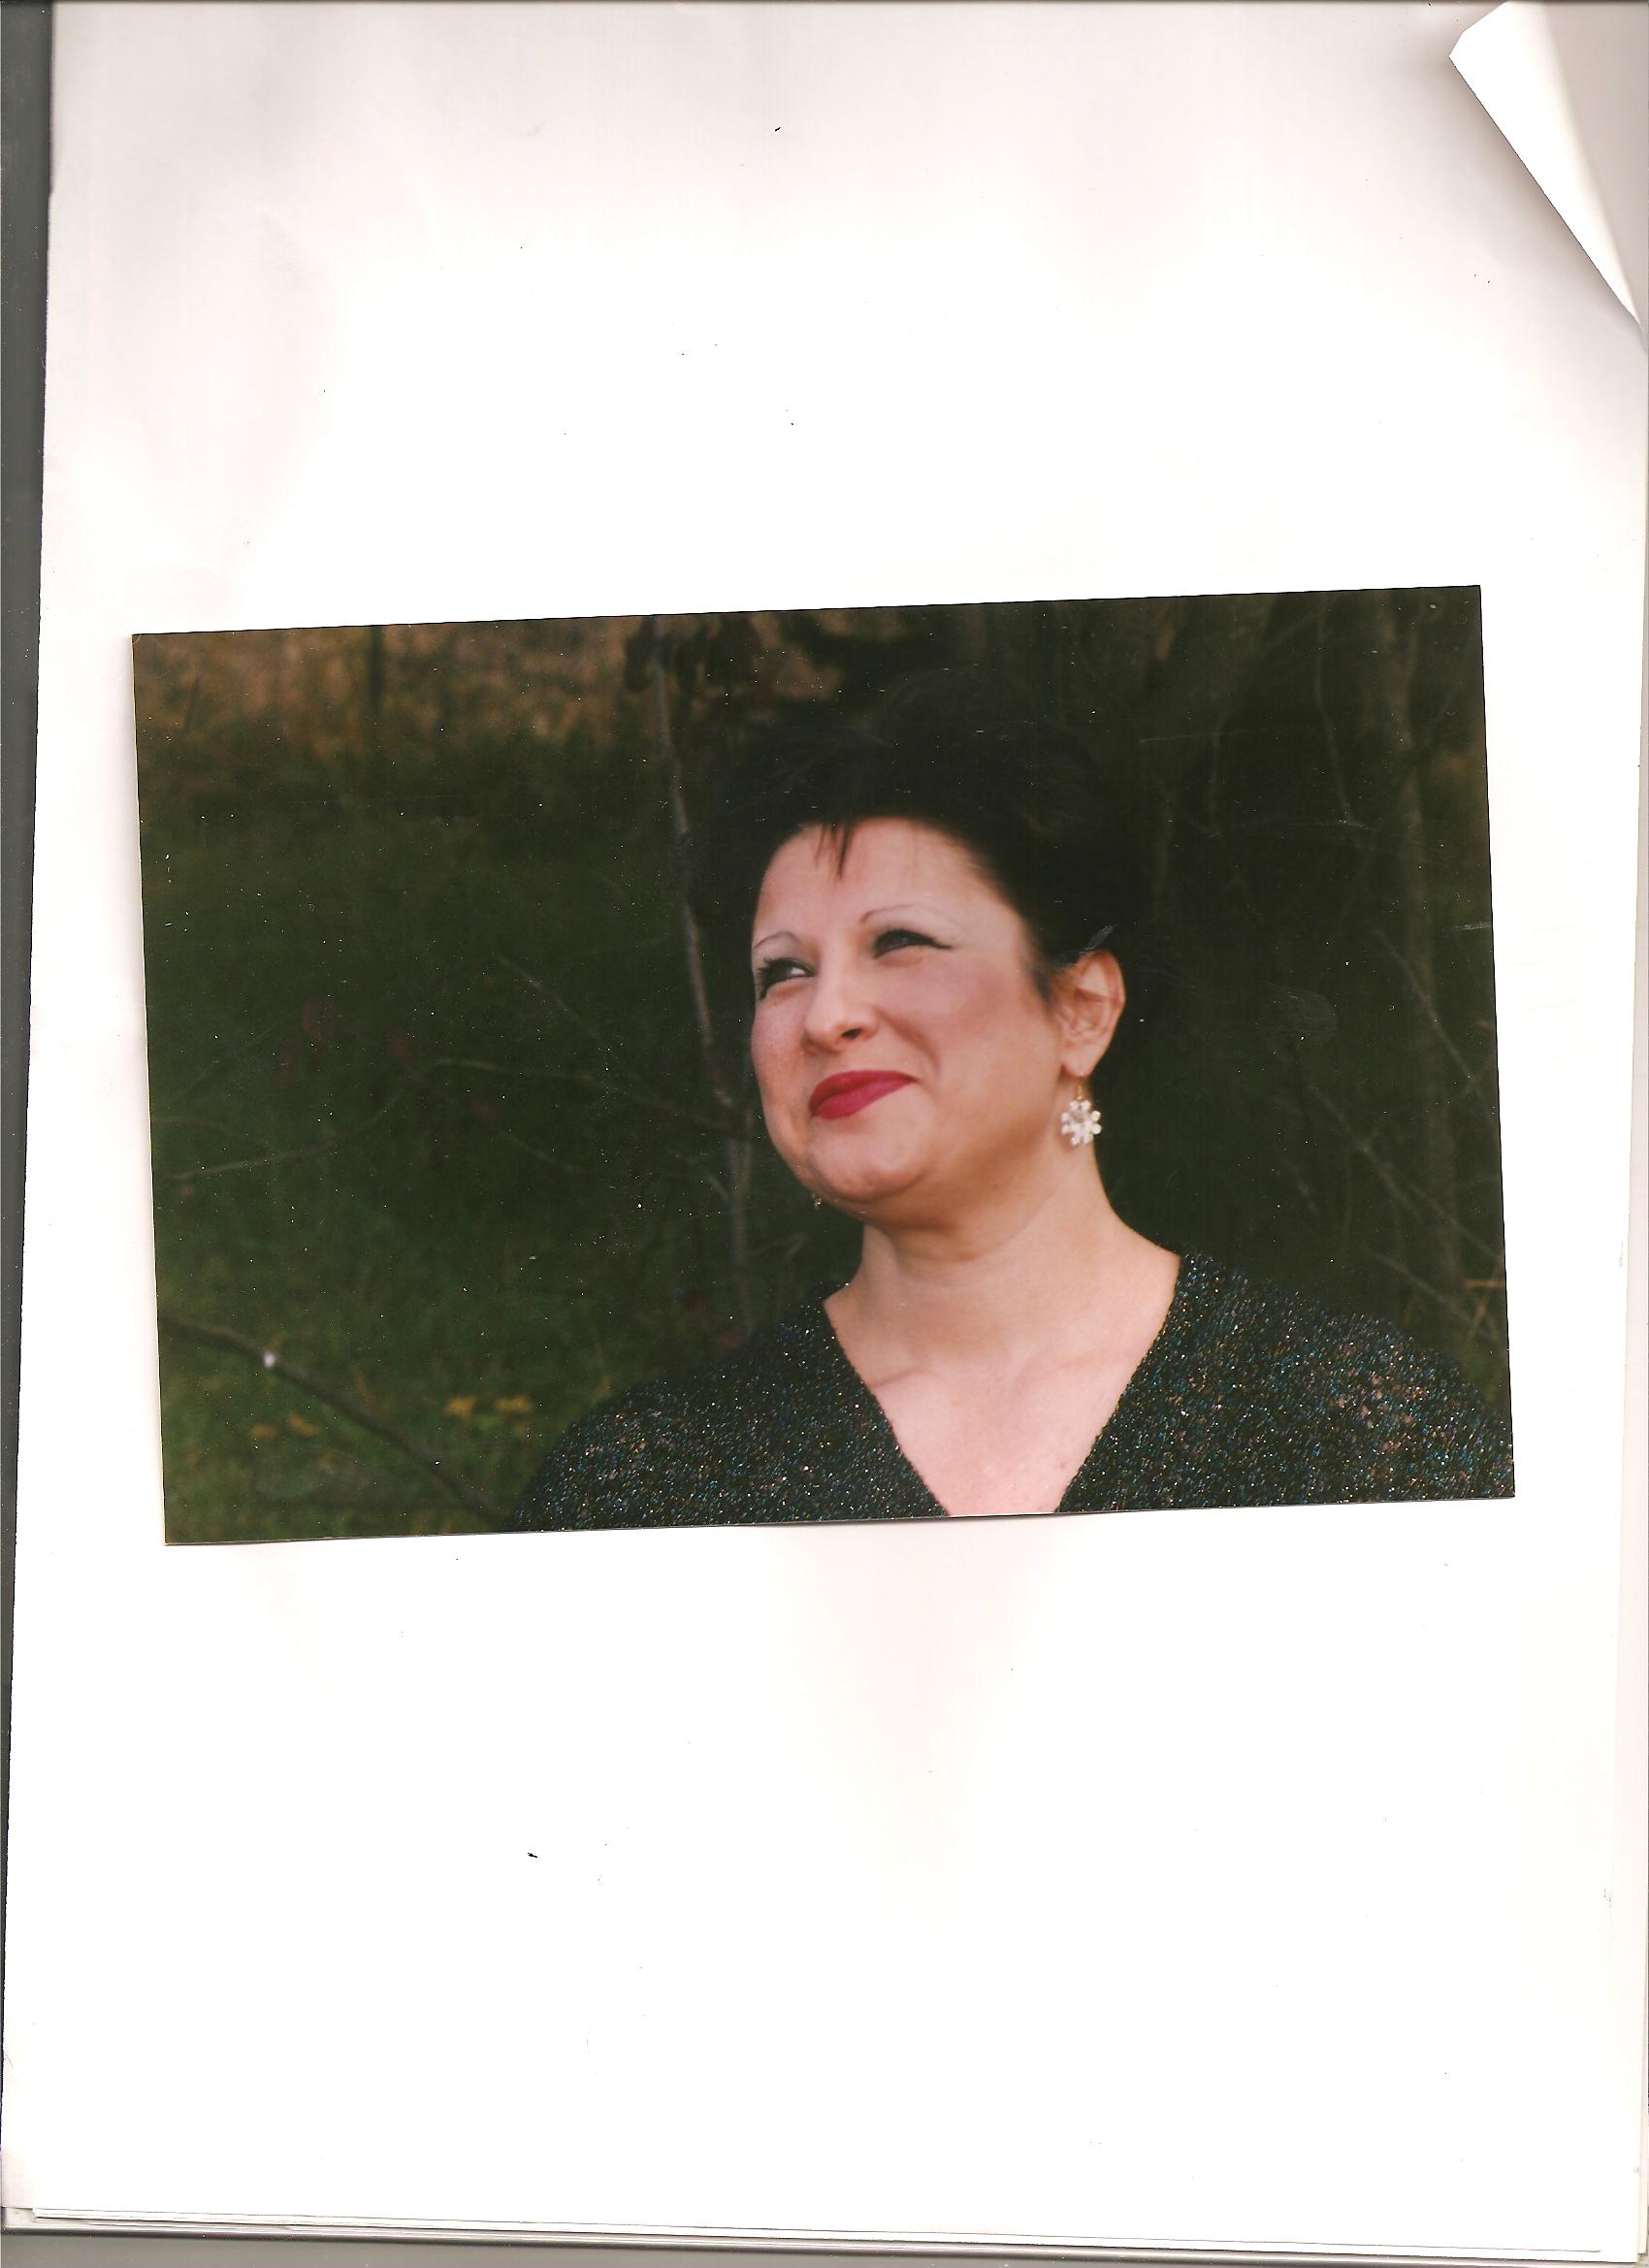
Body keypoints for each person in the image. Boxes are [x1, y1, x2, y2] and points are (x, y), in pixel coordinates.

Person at [516, 676, 1513, 1530]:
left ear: (1082, 1010)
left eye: (899, 942)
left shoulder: (1359, 1433)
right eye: (783, 971)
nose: (826, 1015)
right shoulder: (639, 1483)